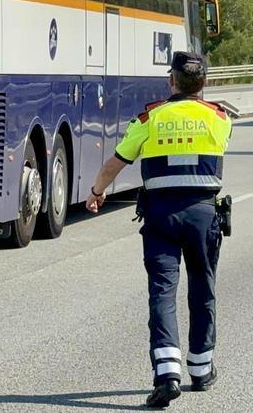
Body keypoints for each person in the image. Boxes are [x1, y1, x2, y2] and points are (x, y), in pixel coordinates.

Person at [85, 51, 233, 408]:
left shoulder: (149, 119)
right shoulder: (219, 118)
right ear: (204, 84)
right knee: (202, 288)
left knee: (162, 293)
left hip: (161, 216)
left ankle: (167, 374)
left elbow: (115, 163)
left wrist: (96, 193)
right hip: (202, 215)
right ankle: (201, 369)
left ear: (171, 81)